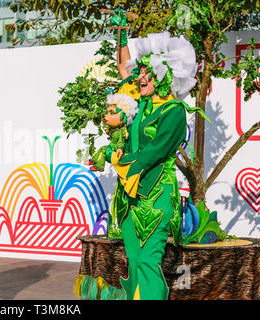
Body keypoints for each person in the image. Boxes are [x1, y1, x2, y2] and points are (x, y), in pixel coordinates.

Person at [105, 10, 210, 300]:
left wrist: (124, 164)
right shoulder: (139, 100)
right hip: (129, 197)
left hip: (156, 196)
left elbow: (156, 150)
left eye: (147, 73)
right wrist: (122, 33)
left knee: (150, 262)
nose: (140, 77)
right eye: (141, 72)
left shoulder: (173, 110)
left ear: (165, 75)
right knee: (135, 263)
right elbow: (124, 69)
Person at [86, 93, 139, 172]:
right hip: (112, 146)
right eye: (106, 112)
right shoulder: (114, 130)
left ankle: (99, 166)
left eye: (112, 113)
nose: (106, 116)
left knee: (103, 150)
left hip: (115, 148)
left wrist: (120, 148)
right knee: (101, 149)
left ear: (125, 115)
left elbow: (121, 140)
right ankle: (93, 161)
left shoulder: (122, 131)